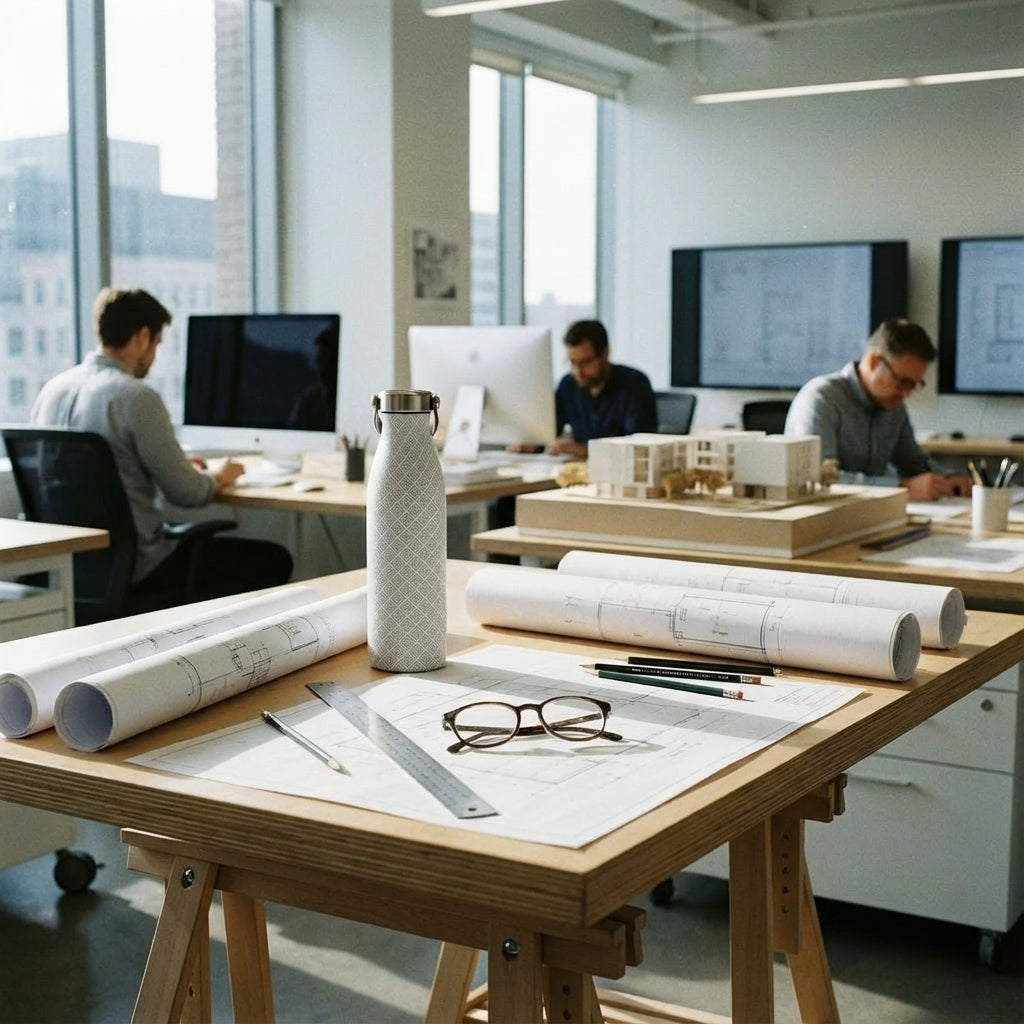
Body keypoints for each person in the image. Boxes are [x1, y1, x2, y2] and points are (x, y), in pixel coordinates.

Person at [31, 286, 293, 600]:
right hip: (139, 571)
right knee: (273, 560)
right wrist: (218, 476)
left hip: (75, 571)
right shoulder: (135, 396)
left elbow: (98, 474)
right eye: (156, 343)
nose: (154, 356)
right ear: (142, 336)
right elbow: (186, 493)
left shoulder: (52, 391)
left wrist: (179, 463)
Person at [784, 318, 971, 501]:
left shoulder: (893, 406)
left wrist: (948, 479)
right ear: (873, 362)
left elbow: (914, 463)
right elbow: (820, 480)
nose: (906, 394)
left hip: (873, 516)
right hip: (820, 519)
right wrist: (902, 487)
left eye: (914, 385)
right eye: (902, 382)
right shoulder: (821, 399)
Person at [549, 319, 658, 459]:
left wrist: (585, 450)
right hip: (580, 471)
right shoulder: (568, 384)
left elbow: (639, 448)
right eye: (573, 362)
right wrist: (533, 445)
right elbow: (551, 429)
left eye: (586, 362)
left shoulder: (634, 384)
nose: (578, 372)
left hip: (620, 473)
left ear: (605, 354)